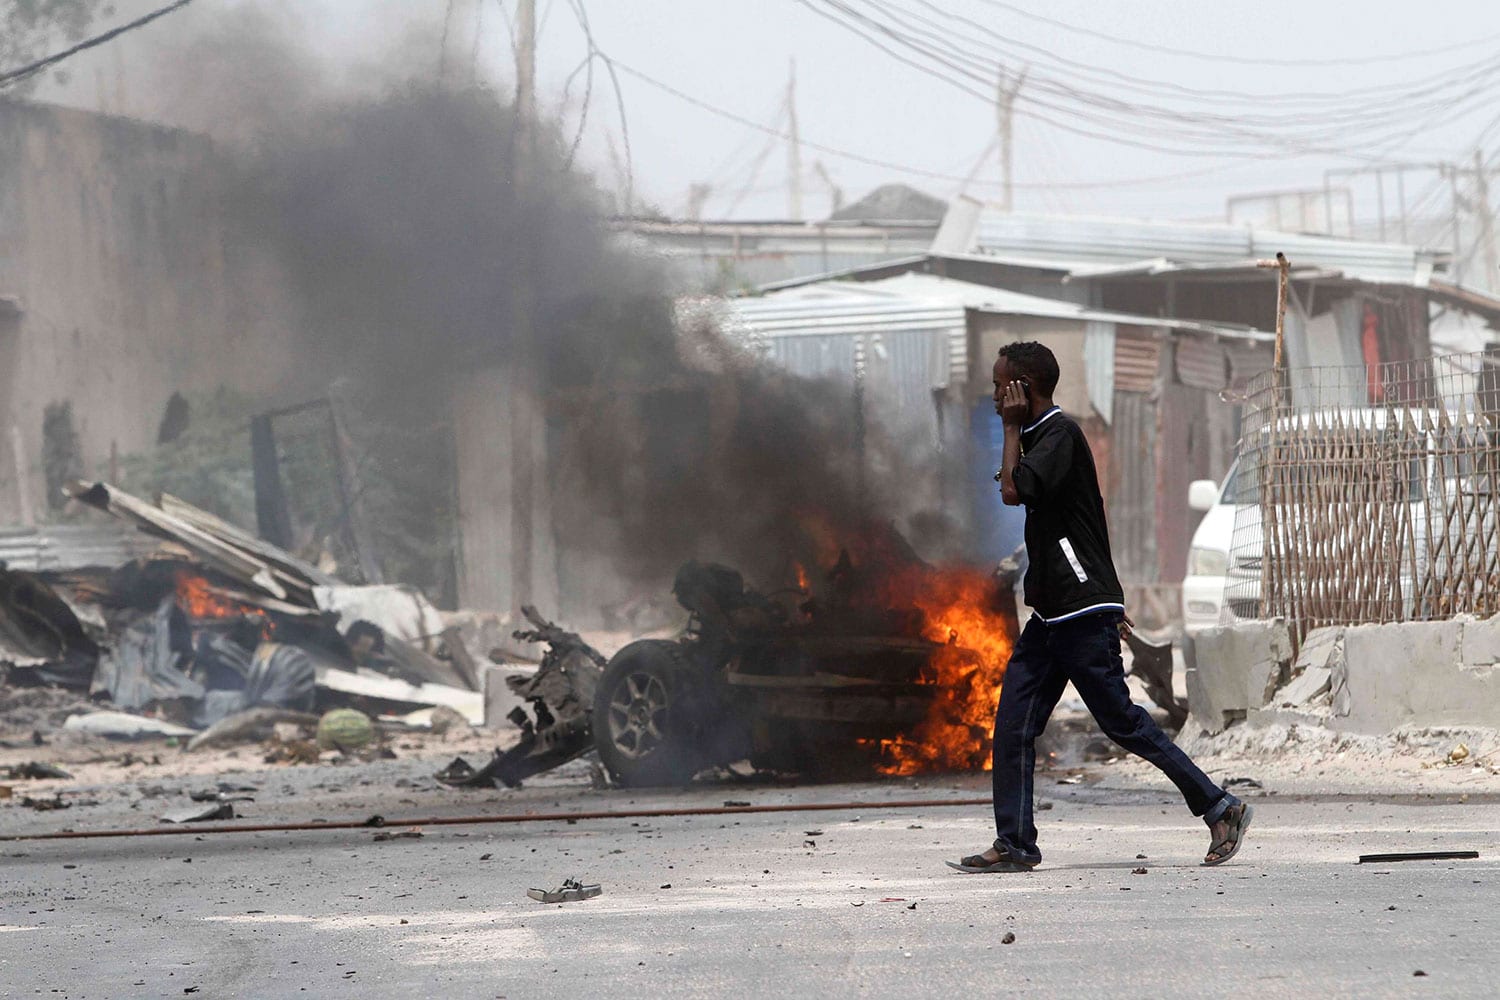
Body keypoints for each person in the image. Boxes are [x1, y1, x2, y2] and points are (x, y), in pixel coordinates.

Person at [950, 342, 1252, 873]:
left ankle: (1220, 806)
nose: (995, 397)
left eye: (1001, 387)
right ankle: (1015, 844)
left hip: (1077, 612)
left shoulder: (1057, 436)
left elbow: (1014, 492)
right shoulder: (1043, 438)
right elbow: (1079, 521)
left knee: (1123, 722)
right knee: (1014, 725)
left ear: (1025, 388)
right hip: (1053, 613)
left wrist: (1012, 427)